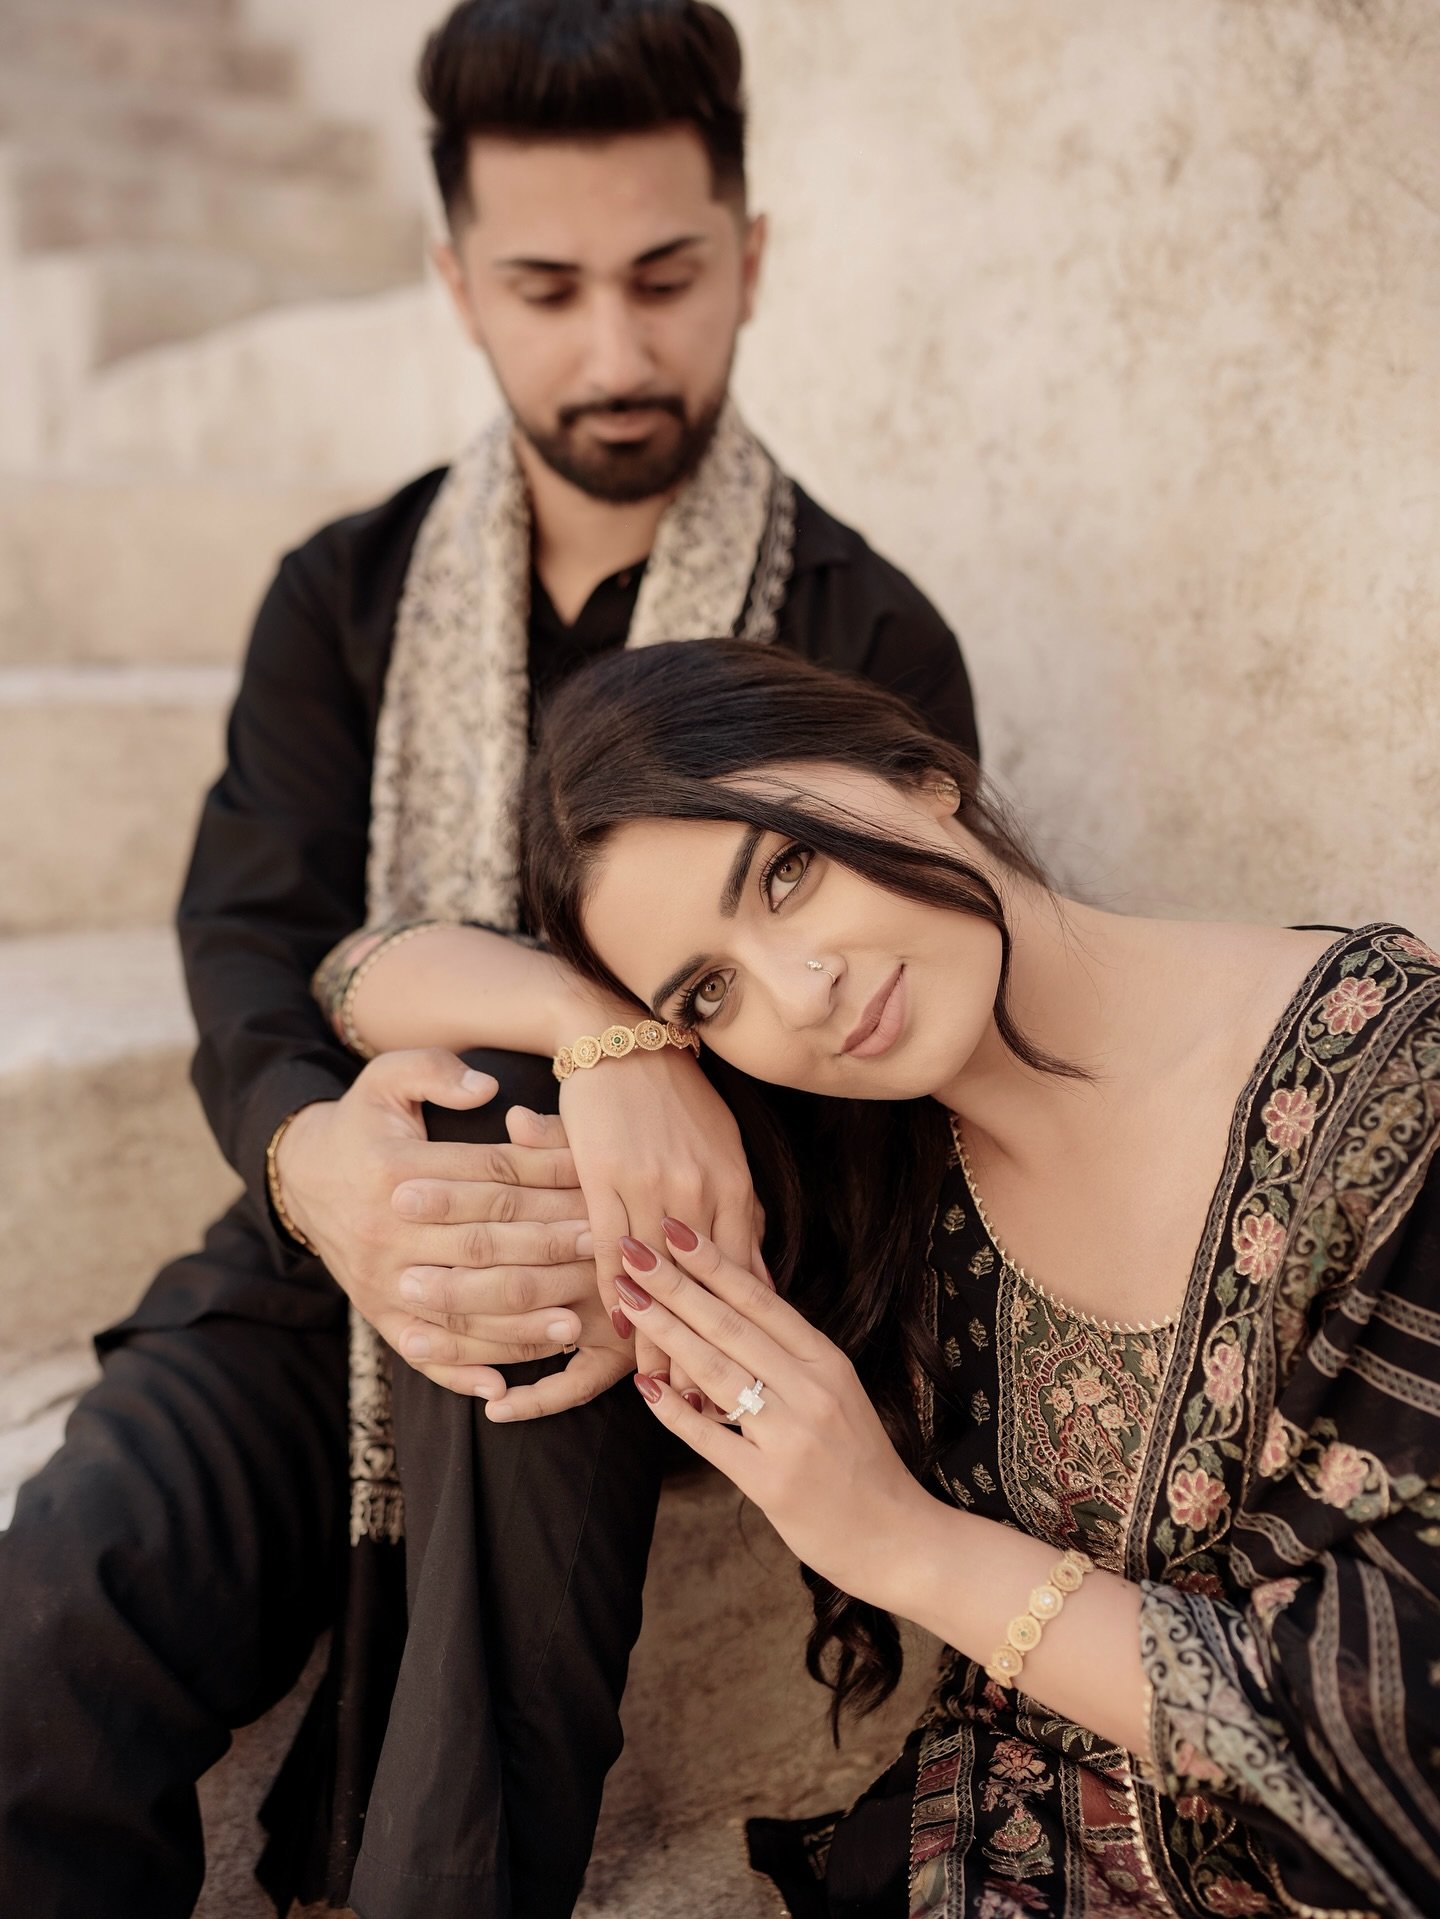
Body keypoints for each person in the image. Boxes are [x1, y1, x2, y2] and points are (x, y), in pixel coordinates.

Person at [0, 6, 979, 1918]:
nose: (613, 353)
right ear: (456, 283)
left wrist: (636, 1187)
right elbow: (255, 946)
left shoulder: (859, 637)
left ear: (750, 258)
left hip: (660, 1296)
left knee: (527, 1179)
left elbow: (882, 1064)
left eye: (665, 277)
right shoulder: (343, 596)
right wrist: (323, 1166)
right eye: (547, 288)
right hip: (318, 1263)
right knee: (45, 1641)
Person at [347, 638, 1440, 1919]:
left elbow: (1398, 1726)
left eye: (788, 871)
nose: (801, 992)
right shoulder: (868, 1166)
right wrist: (600, 1040)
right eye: (711, 990)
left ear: (922, 773)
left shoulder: (1394, 1094)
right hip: (1008, 1852)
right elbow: (357, 969)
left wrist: (899, 1541)